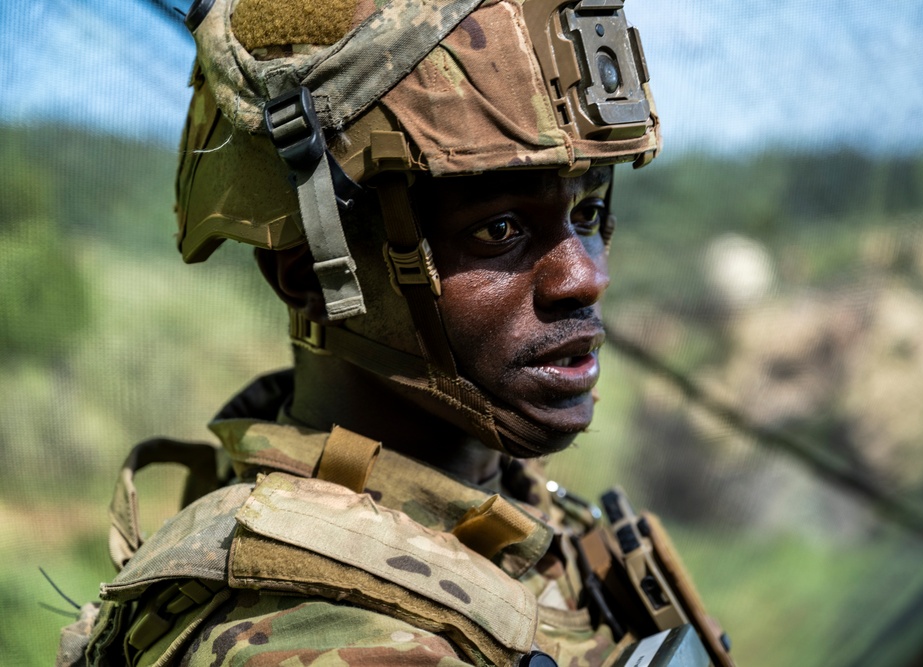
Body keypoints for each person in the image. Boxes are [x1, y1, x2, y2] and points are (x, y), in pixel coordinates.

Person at [57, 0, 732, 664]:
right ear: (315, 277)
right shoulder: (321, 633)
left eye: (586, 212)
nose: (583, 278)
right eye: (500, 230)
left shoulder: (502, 509)